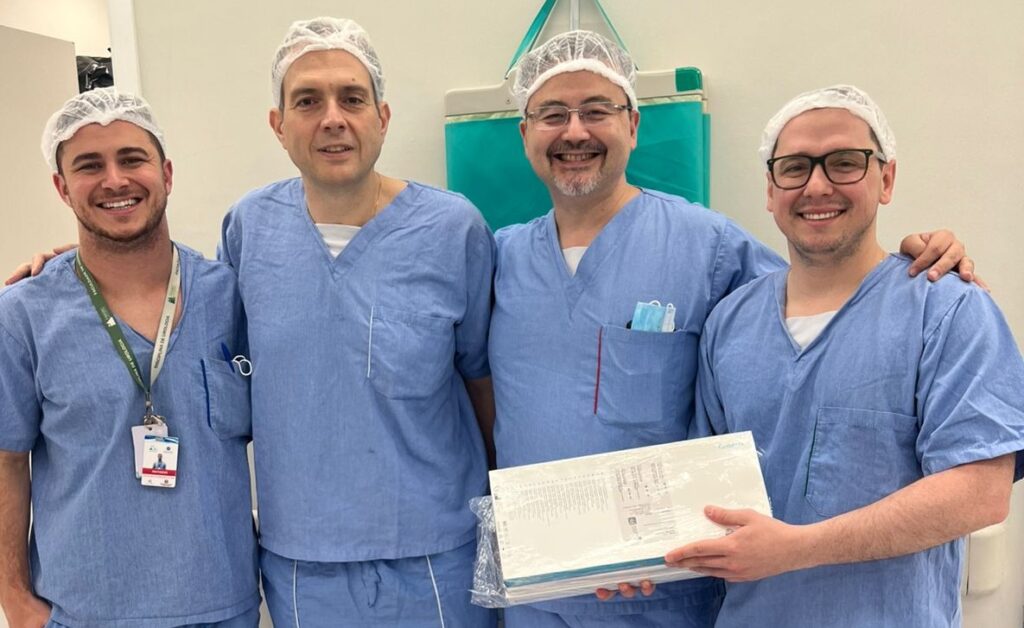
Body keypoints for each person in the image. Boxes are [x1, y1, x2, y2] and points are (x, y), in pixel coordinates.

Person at [488, 32, 977, 628]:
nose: (574, 132)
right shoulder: (499, 259)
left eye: (596, 110)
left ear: (633, 125)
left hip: (666, 589)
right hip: (537, 592)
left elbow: (826, 295)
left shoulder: (708, 246)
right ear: (524, 133)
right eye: (552, 115)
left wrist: (917, 259)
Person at [665, 85, 1024, 627]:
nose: (817, 185)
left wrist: (795, 548)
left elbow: (980, 492)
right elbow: (705, 491)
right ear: (770, 190)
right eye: (794, 167)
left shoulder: (947, 309)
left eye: (844, 163)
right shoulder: (729, 324)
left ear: (886, 179)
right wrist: (630, 561)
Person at [218, 17, 496, 627]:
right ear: (278, 125)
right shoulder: (248, 229)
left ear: (382, 117)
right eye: (307, 101)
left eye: (352, 98)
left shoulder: (452, 230)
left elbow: (483, 381)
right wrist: (76, 266)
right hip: (302, 558)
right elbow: (213, 348)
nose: (332, 119)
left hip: (436, 551)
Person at [0, 89, 259, 627]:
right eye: (89, 166)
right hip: (84, 612)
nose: (115, 180)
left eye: (132, 159)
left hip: (223, 605)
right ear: (62, 187)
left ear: (166, 174)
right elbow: (6, 462)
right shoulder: (24, 315)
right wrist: (15, 599)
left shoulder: (229, 297)